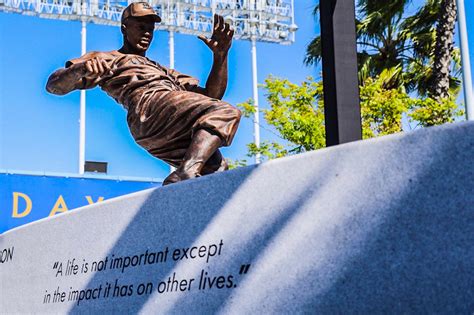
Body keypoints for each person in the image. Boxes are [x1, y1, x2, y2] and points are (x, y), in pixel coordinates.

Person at [46, 2, 241, 186]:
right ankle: (185, 172)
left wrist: (220, 56)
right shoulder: (107, 58)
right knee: (226, 112)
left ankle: (184, 205)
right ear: (124, 28)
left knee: (216, 170)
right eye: (140, 26)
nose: (147, 32)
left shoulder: (164, 71)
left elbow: (211, 96)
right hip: (148, 105)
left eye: (150, 28)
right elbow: (54, 86)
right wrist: (79, 70)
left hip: (165, 120)